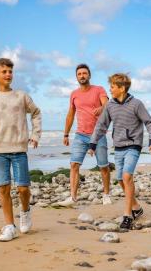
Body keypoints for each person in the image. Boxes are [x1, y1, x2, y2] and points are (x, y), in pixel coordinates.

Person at [0, 58, 41, 241]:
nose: (8, 74)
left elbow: (36, 113)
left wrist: (35, 135)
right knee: (3, 188)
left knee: (23, 188)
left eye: (10, 71)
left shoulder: (21, 96)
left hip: (19, 150)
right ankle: (9, 226)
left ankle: (26, 210)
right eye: (4, 71)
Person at [88, 73, 151, 230]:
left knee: (127, 177)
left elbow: (149, 122)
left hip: (133, 145)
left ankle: (127, 216)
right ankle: (136, 208)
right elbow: (101, 125)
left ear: (122, 88)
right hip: (118, 147)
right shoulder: (110, 105)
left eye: (112, 86)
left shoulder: (136, 104)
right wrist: (92, 143)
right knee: (120, 179)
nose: (110, 89)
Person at [57, 64, 111, 207]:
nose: (82, 76)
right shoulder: (74, 94)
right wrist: (66, 134)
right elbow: (70, 114)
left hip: (98, 135)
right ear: (76, 77)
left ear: (89, 75)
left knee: (103, 166)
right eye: (79, 74)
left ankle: (106, 194)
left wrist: (101, 108)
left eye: (84, 73)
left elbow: (108, 103)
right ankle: (73, 197)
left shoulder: (99, 89)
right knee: (74, 164)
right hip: (80, 135)